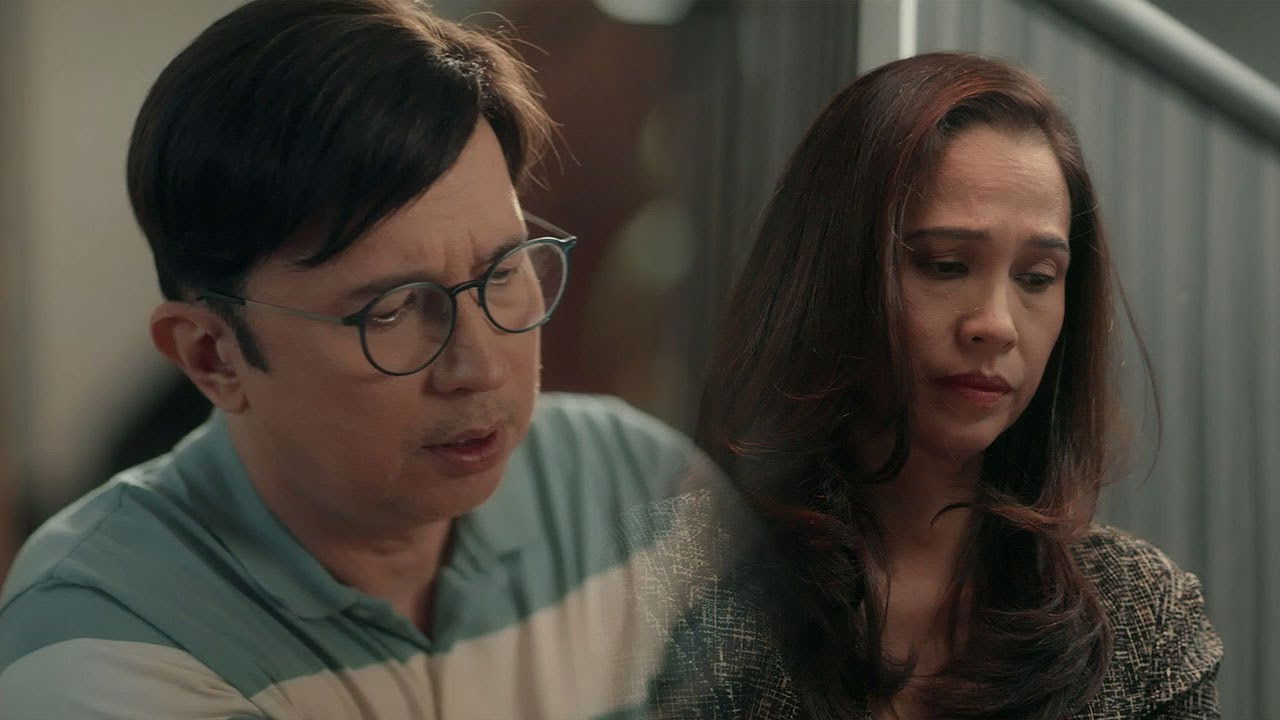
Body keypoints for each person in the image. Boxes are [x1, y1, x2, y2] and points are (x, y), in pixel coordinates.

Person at [0, 1, 696, 717]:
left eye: (503, 272)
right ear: (213, 357)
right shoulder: (108, 635)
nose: (481, 368)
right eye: (391, 311)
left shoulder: (633, 486)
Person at [628, 52, 1222, 719]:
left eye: (1036, 278)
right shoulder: (655, 581)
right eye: (945, 265)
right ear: (831, 275)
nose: (995, 325)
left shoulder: (1144, 618)